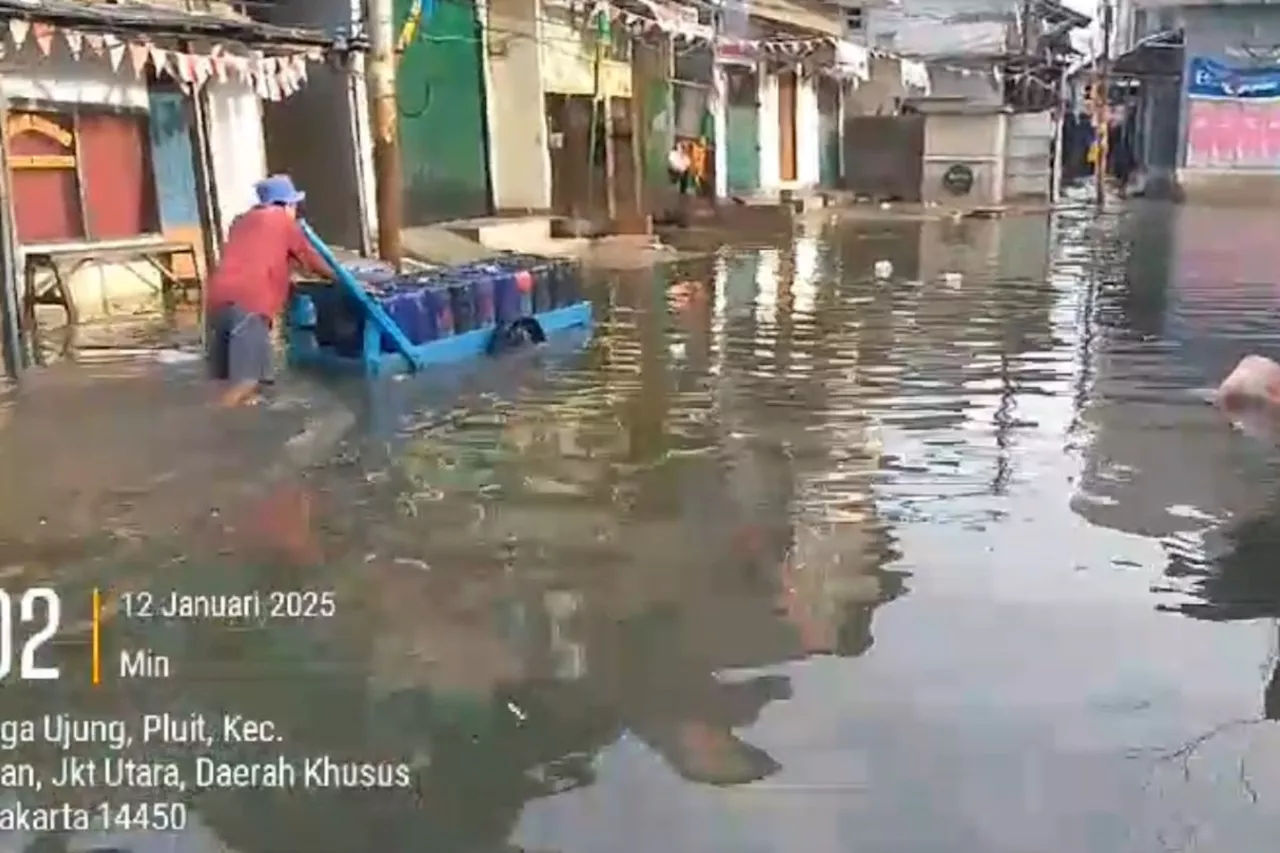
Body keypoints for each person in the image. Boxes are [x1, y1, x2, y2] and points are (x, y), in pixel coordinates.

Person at [205, 174, 333, 407]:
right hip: (249, 302)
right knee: (247, 382)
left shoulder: (240, 222)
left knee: (225, 381)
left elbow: (256, 258)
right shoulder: (283, 222)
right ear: (286, 204)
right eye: (294, 205)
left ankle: (233, 431)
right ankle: (206, 428)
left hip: (216, 301)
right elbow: (312, 260)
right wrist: (343, 279)